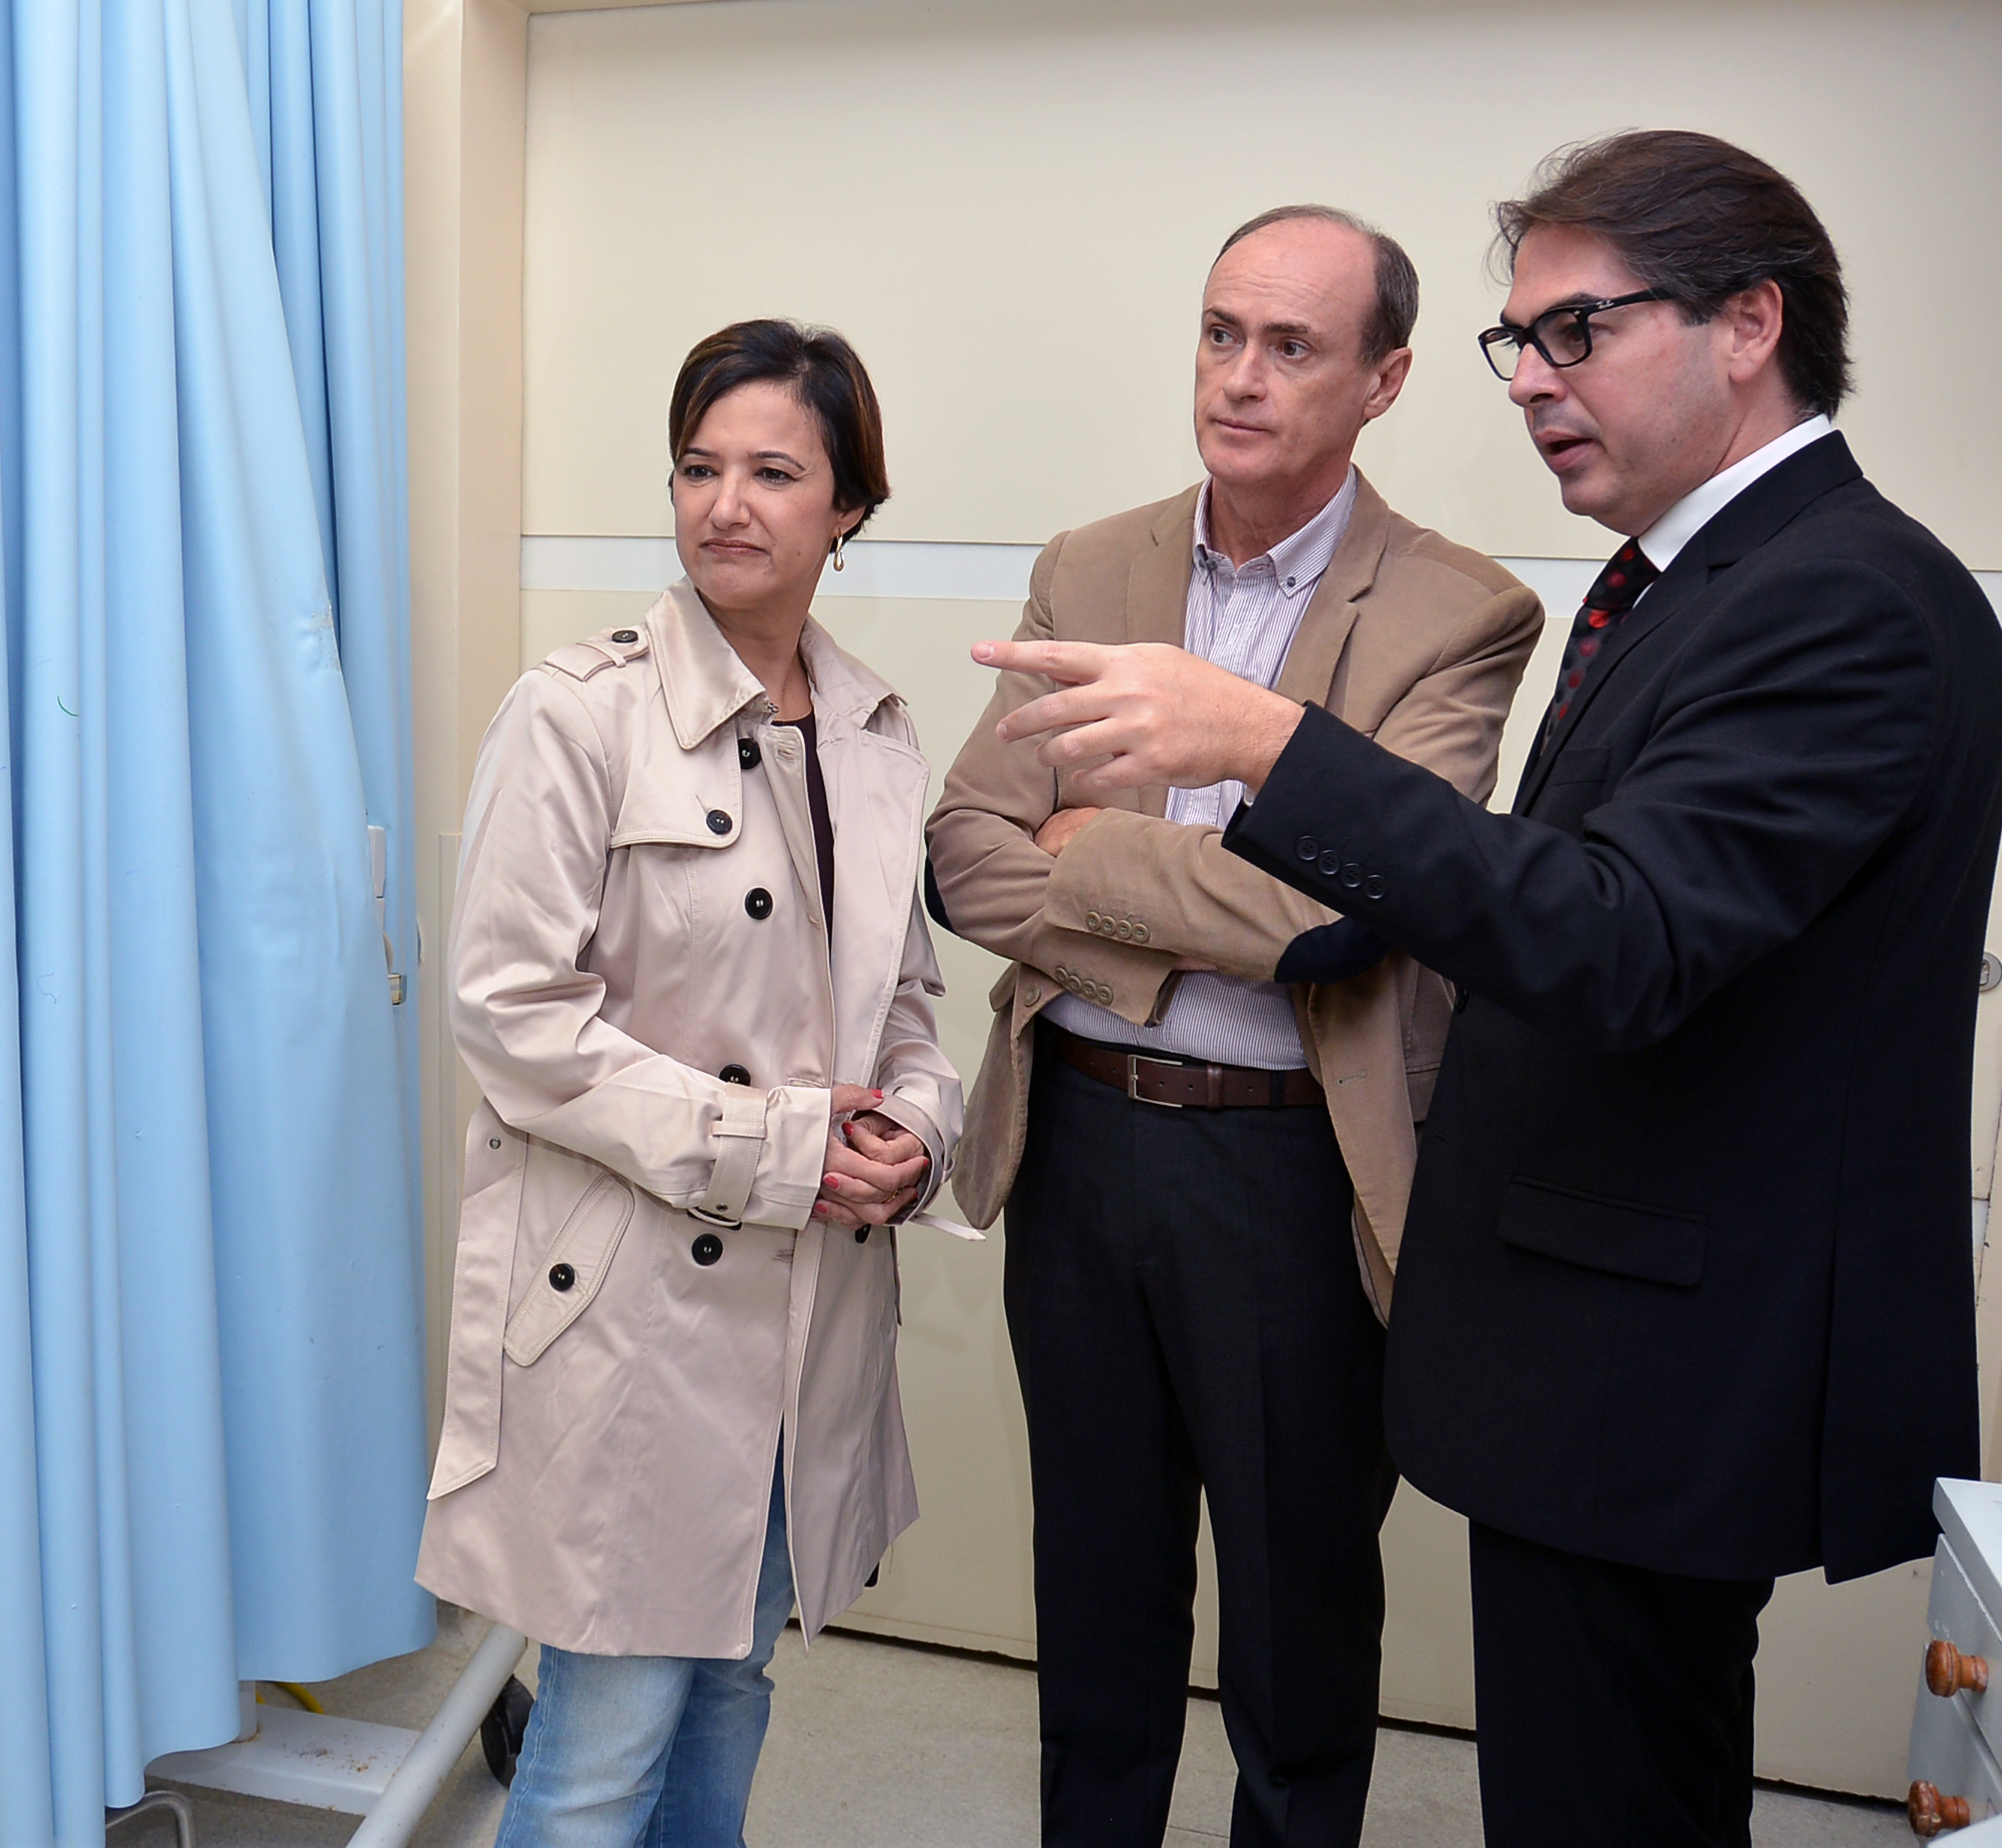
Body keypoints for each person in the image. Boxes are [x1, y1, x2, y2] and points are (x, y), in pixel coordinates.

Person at [977, 131, 2002, 1845]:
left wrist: (1263, 748)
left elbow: (1605, 937)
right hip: (1588, 1341)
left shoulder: (1841, 598)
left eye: (1574, 331)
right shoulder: (1693, 579)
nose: (1529, 379)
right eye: (1515, 340)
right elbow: (971, 847)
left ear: (1747, 323)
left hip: (1654, 1358)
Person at [925, 207, 1540, 1847]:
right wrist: (1213, 894)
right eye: (1219, 333)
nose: (1239, 377)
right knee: (1095, 1603)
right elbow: (964, 851)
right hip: (1076, 1144)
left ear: (1383, 379)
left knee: (1294, 1629)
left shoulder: (1457, 611)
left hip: (1289, 1181)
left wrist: (1088, 859)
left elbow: (1340, 916)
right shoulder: (1091, 566)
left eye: (1290, 346)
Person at [417, 319, 964, 1846]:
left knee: (733, 1692)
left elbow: (907, 1006)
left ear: (849, 509)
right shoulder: (577, 712)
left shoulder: (873, 733)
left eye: (773, 472)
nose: (725, 504)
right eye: (697, 467)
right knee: (603, 1745)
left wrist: (917, 1135)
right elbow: (512, 1016)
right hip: (632, 1313)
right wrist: (778, 1147)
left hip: (808, 1318)